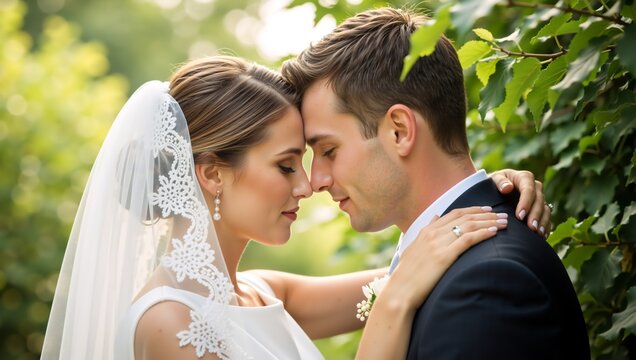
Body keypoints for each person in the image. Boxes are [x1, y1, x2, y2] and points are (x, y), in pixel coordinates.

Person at [41, 55, 548, 360]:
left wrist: (476, 191)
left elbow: (419, 265)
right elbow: (397, 290)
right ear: (213, 173)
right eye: (287, 165)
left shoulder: (263, 292)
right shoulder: (169, 322)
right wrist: (391, 307)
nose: (308, 185)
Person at [281, 7, 589, 359]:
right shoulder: (453, 263)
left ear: (400, 131)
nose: (316, 180)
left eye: (328, 150)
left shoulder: (487, 284)